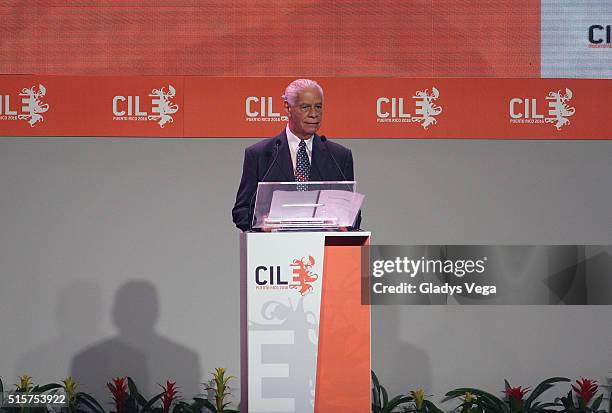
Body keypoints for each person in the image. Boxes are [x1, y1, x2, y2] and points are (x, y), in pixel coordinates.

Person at [232, 78, 360, 231]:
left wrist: (345, 223)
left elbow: (353, 215)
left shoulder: (339, 156)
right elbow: (242, 211)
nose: (314, 114)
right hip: (275, 249)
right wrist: (261, 223)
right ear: (288, 107)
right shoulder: (260, 154)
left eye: (318, 107)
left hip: (323, 249)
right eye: (305, 107)